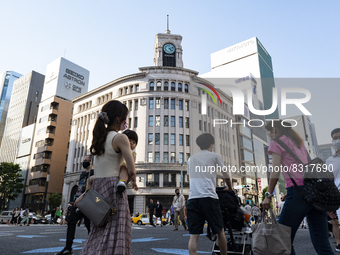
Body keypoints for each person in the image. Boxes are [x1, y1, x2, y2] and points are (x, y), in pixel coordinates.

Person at [262, 120, 334, 255]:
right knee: (322, 243)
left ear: (275, 130)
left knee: (283, 239)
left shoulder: (276, 143)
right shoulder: (299, 143)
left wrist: (268, 195)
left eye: (269, 131)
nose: (269, 134)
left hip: (298, 193)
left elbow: (275, 171)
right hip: (314, 192)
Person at [78, 100, 138, 255]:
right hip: (114, 187)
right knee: (116, 232)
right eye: (125, 117)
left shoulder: (99, 139)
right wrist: (125, 183)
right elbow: (131, 170)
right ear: (118, 118)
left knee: (98, 232)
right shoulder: (120, 138)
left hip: (97, 189)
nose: (126, 121)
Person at [186, 133, 232, 255]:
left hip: (193, 198)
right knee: (220, 231)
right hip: (209, 198)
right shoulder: (215, 156)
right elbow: (225, 174)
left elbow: (192, 177)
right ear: (212, 144)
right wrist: (230, 187)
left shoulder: (191, 159)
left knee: (194, 235)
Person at [55, 155, 93, 255]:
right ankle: (68, 247)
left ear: (91, 162)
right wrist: (74, 201)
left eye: (86, 161)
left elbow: (92, 189)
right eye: (84, 160)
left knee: (89, 226)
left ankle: (93, 247)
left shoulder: (95, 173)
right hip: (78, 202)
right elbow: (79, 188)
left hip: (88, 203)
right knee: (71, 222)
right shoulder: (83, 174)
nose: (84, 162)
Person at [326, 128, 340, 252]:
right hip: (337, 197)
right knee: (335, 222)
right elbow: (329, 181)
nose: (337, 140)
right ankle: (339, 243)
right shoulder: (329, 161)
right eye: (335, 138)